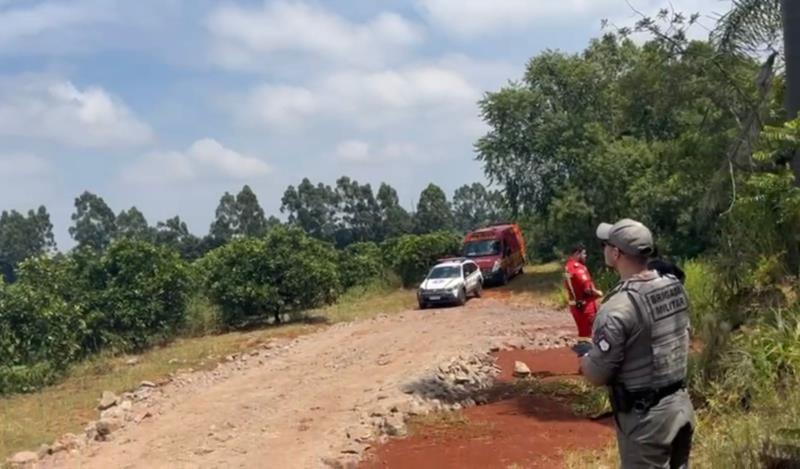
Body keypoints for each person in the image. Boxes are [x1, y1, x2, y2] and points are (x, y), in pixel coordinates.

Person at [579, 218, 694, 468]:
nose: (603, 249)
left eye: (606, 244)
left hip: (647, 423)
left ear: (616, 253)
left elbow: (597, 375)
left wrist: (586, 358)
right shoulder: (674, 286)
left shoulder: (617, 308)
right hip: (680, 407)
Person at [563, 245, 603, 342]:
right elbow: (587, 288)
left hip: (576, 305)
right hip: (585, 306)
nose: (585, 256)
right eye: (584, 253)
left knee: (583, 334)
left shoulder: (567, 267)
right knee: (589, 334)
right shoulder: (578, 268)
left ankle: (585, 352)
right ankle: (588, 354)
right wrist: (598, 293)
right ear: (577, 253)